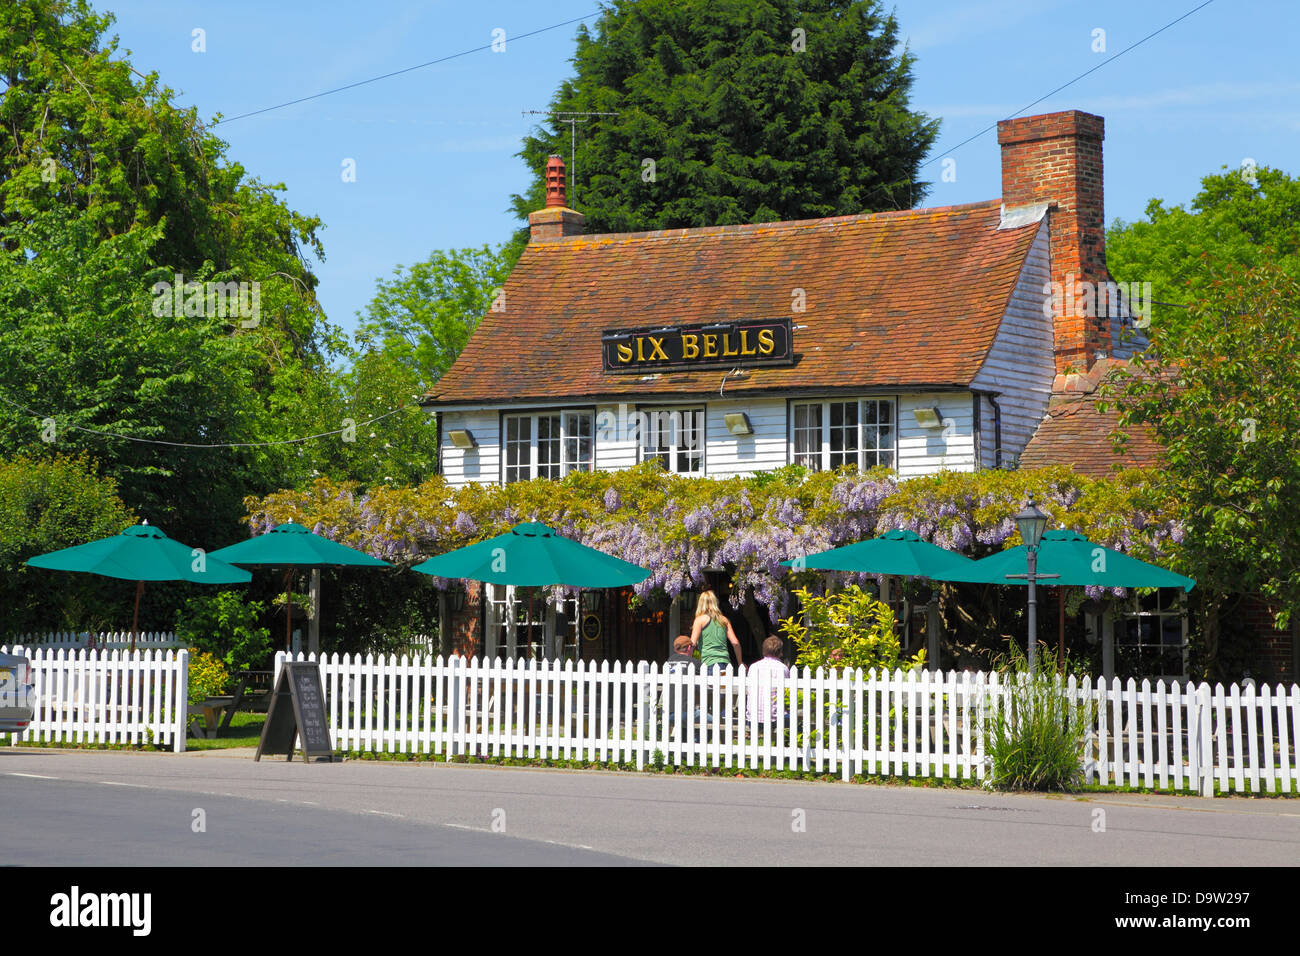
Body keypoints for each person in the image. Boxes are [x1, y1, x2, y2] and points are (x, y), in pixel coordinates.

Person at [690, 590, 742, 674]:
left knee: (709, 687)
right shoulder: (724, 620)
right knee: (723, 687)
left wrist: (688, 659)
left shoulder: (700, 620)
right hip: (725, 664)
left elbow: (692, 643)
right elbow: (735, 643)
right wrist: (740, 663)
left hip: (709, 663)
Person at [746, 635, 790, 725]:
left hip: (752, 718)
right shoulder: (783, 668)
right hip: (775, 719)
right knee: (798, 723)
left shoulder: (753, 667)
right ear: (780, 652)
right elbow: (787, 693)